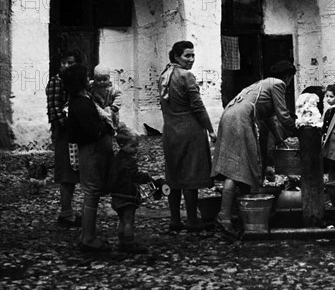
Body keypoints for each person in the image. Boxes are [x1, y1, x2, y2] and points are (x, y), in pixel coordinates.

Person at [211, 60, 297, 237]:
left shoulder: (263, 83)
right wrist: (299, 129)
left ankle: (241, 212)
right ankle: (225, 215)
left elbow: (269, 118)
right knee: (238, 168)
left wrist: (280, 140)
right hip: (240, 120)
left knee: (235, 166)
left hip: (230, 115)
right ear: (288, 77)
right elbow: (283, 114)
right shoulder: (278, 84)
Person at [159, 41, 217, 232]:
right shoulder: (186, 76)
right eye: (187, 56)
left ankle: (175, 219)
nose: (191, 59)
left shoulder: (164, 75)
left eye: (193, 55)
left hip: (170, 130)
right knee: (190, 174)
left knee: (173, 174)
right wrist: (210, 129)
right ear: (176, 56)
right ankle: (192, 219)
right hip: (189, 130)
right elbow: (197, 106)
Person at [64, 64, 115, 252]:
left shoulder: (80, 101)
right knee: (92, 193)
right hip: (93, 152)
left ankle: (87, 233)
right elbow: (91, 131)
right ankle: (89, 237)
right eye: (84, 77)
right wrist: (106, 128)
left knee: (90, 193)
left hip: (92, 151)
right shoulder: (82, 103)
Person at [45, 49, 83, 227]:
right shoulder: (56, 82)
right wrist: (68, 125)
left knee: (74, 171)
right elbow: (54, 109)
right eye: (63, 62)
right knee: (66, 172)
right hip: (64, 132)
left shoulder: (75, 82)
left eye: (70, 63)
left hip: (74, 132)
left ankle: (68, 209)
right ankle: (65, 213)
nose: (66, 66)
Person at [108, 126, 151, 254]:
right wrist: (146, 177)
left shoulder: (116, 159)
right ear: (122, 145)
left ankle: (122, 242)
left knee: (122, 220)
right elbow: (134, 176)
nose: (136, 149)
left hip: (116, 194)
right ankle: (130, 244)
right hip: (127, 195)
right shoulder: (129, 161)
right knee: (128, 221)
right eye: (133, 146)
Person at [89, 64, 122, 130]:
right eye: (98, 80)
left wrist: (114, 107)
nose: (102, 82)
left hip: (110, 111)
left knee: (110, 126)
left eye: (105, 79)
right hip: (97, 111)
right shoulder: (91, 86)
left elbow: (118, 96)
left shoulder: (114, 88)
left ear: (109, 78)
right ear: (94, 79)